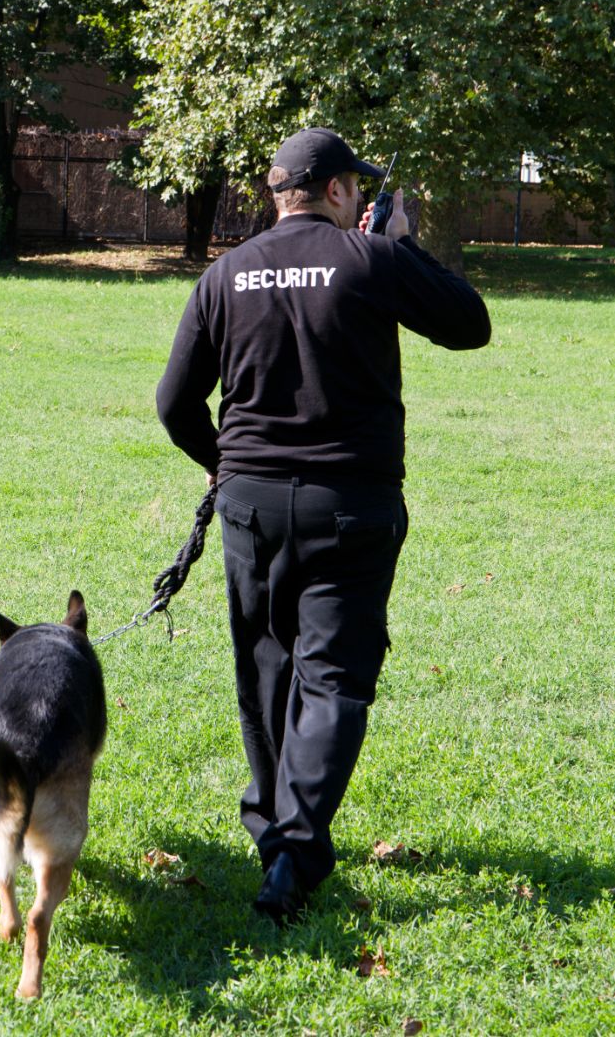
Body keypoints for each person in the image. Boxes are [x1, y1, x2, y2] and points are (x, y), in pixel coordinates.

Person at [157, 127, 491, 924]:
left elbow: (174, 404)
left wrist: (220, 464)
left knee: (266, 670)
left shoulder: (223, 275)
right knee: (334, 678)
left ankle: (274, 833)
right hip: (351, 505)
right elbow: (468, 324)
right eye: (358, 190)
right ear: (339, 191)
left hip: (250, 503)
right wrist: (403, 248)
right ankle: (294, 859)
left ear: (279, 195)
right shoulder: (370, 259)